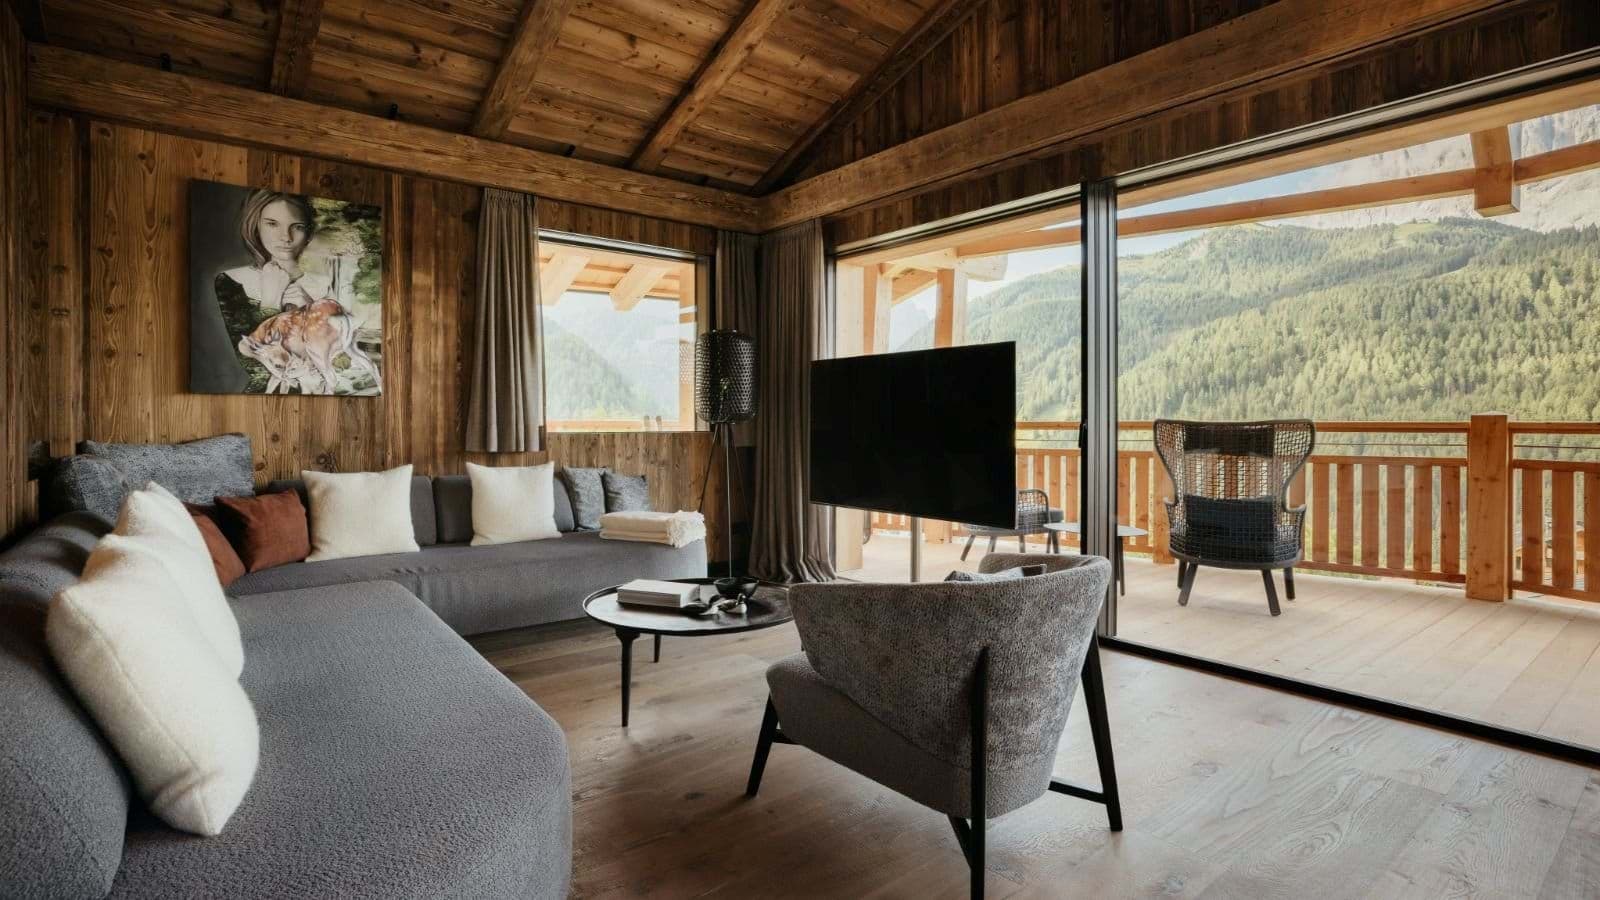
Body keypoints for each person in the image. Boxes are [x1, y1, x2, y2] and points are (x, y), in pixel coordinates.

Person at [213, 191, 334, 341]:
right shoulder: (232, 280)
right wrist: (271, 300)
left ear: (309, 233)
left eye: (297, 227)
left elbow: (339, 357)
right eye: (272, 224)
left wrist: (311, 311)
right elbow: (249, 361)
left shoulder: (328, 284)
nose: (286, 237)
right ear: (256, 227)